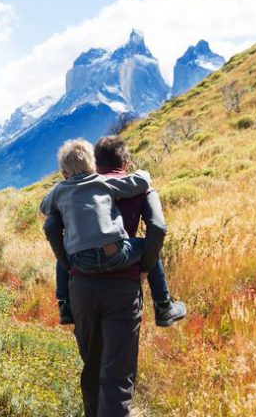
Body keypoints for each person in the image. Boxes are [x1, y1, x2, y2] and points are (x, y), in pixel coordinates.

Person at [40, 135, 176, 417]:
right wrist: (145, 266)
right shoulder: (122, 187)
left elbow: (52, 225)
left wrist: (67, 268)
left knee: (93, 370)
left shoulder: (64, 191)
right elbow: (158, 228)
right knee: (116, 381)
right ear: (124, 162)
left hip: (81, 285)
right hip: (122, 284)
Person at [42, 138, 186, 327]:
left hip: (80, 260)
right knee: (145, 245)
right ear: (92, 165)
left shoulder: (59, 190)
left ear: (64, 173)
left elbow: (45, 209)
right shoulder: (102, 183)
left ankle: (65, 305)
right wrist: (142, 172)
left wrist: (60, 192)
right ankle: (163, 305)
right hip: (114, 254)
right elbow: (139, 183)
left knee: (64, 249)